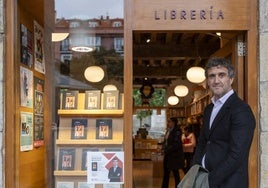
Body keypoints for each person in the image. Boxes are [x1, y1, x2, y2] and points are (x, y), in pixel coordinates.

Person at [192, 57, 256, 188]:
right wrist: (195, 169)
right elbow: (203, 141)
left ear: (231, 79)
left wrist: (210, 181)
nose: (216, 81)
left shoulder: (241, 110)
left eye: (221, 75)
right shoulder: (209, 109)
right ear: (208, 81)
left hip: (228, 182)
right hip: (203, 178)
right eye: (211, 76)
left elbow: (237, 155)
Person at [161, 117, 184, 188]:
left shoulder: (177, 131)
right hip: (168, 155)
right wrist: (163, 148)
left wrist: (167, 150)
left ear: (174, 122)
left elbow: (176, 144)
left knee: (175, 173)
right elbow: (166, 141)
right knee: (166, 173)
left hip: (174, 156)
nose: (168, 123)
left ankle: (178, 186)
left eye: (169, 122)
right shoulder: (168, 130)